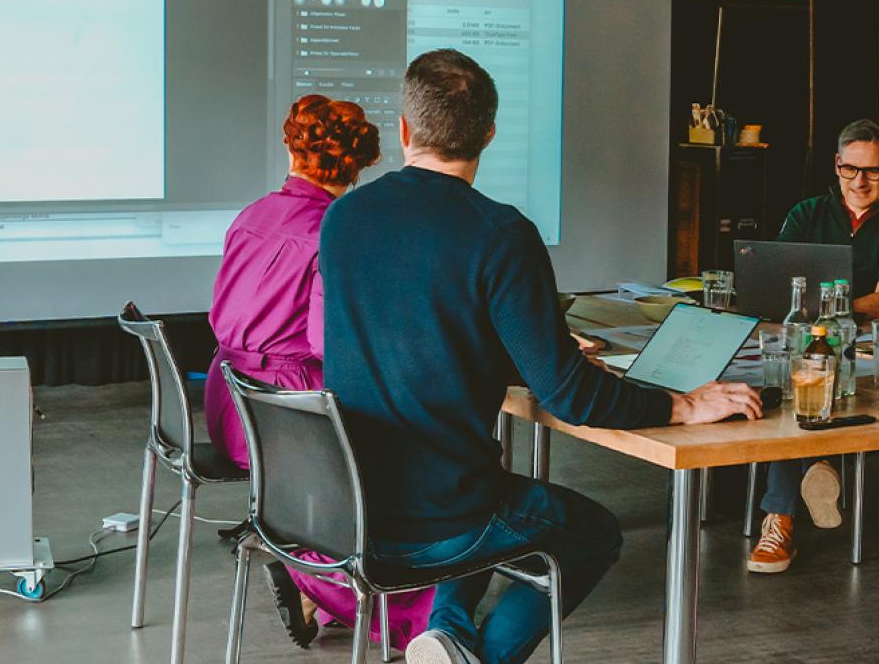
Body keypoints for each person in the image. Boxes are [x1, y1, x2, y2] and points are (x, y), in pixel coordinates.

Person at [319, 49, 763, 664]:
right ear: (490, 134)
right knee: (591, 532)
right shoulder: (500, 233)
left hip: (350, 505)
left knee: (488, 490)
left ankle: (446, 637)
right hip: (444, 514)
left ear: (403, 129)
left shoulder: (343, 217)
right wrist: (682, 405)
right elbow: (570, 397)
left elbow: (414, 331)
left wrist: (513, 354)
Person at [200, 95, 433, 650]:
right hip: (289, 417)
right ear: (360, 164)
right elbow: (328, 343)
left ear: (291, 148)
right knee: (407, 452)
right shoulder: (337, 230)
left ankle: (311, 576)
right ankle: (353, 592)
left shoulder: (251, 215)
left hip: (231, 402)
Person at [748, 118, 879, 574]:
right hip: (806, 341)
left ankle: (779, 519)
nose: (860, 182)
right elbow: (777, 283)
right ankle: (818, 462)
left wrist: (830, 314)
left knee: (808, 382)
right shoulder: (807, 212)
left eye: (871, 171)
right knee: (795, 382)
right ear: (836, 165)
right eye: (850, 170)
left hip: (869, 347)